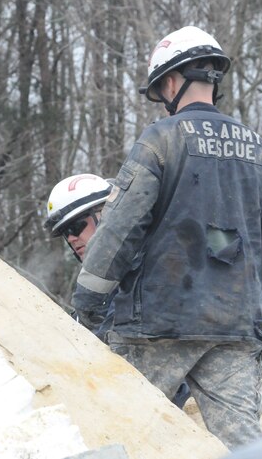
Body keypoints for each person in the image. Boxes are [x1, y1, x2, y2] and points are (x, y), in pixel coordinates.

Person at [70, 26, 262, 450]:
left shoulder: (161, 140)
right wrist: (249, 301)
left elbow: (120, 228)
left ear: (170, 81)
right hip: (235, 327)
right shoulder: (261, 151)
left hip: (159, 325)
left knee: (122, 436)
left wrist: (87, 303)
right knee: (244, 445)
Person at [45, 173, 192, 408]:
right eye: (65, 233)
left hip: (164, 407)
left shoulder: (147, 267)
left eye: (76, 226)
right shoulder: (99, 284)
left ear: (106, 215)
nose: (72, 238)